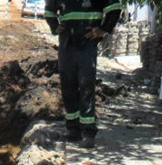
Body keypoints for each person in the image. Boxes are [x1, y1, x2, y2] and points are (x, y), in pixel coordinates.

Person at [45, 0, 122, 149]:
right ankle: (73, 129)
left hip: (87, 44)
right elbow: (49, 11)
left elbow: (115, 7)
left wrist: (103, 29)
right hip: (67, 44)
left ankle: (88, 133)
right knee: (68, 86)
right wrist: (54, 26)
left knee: (86, 86)